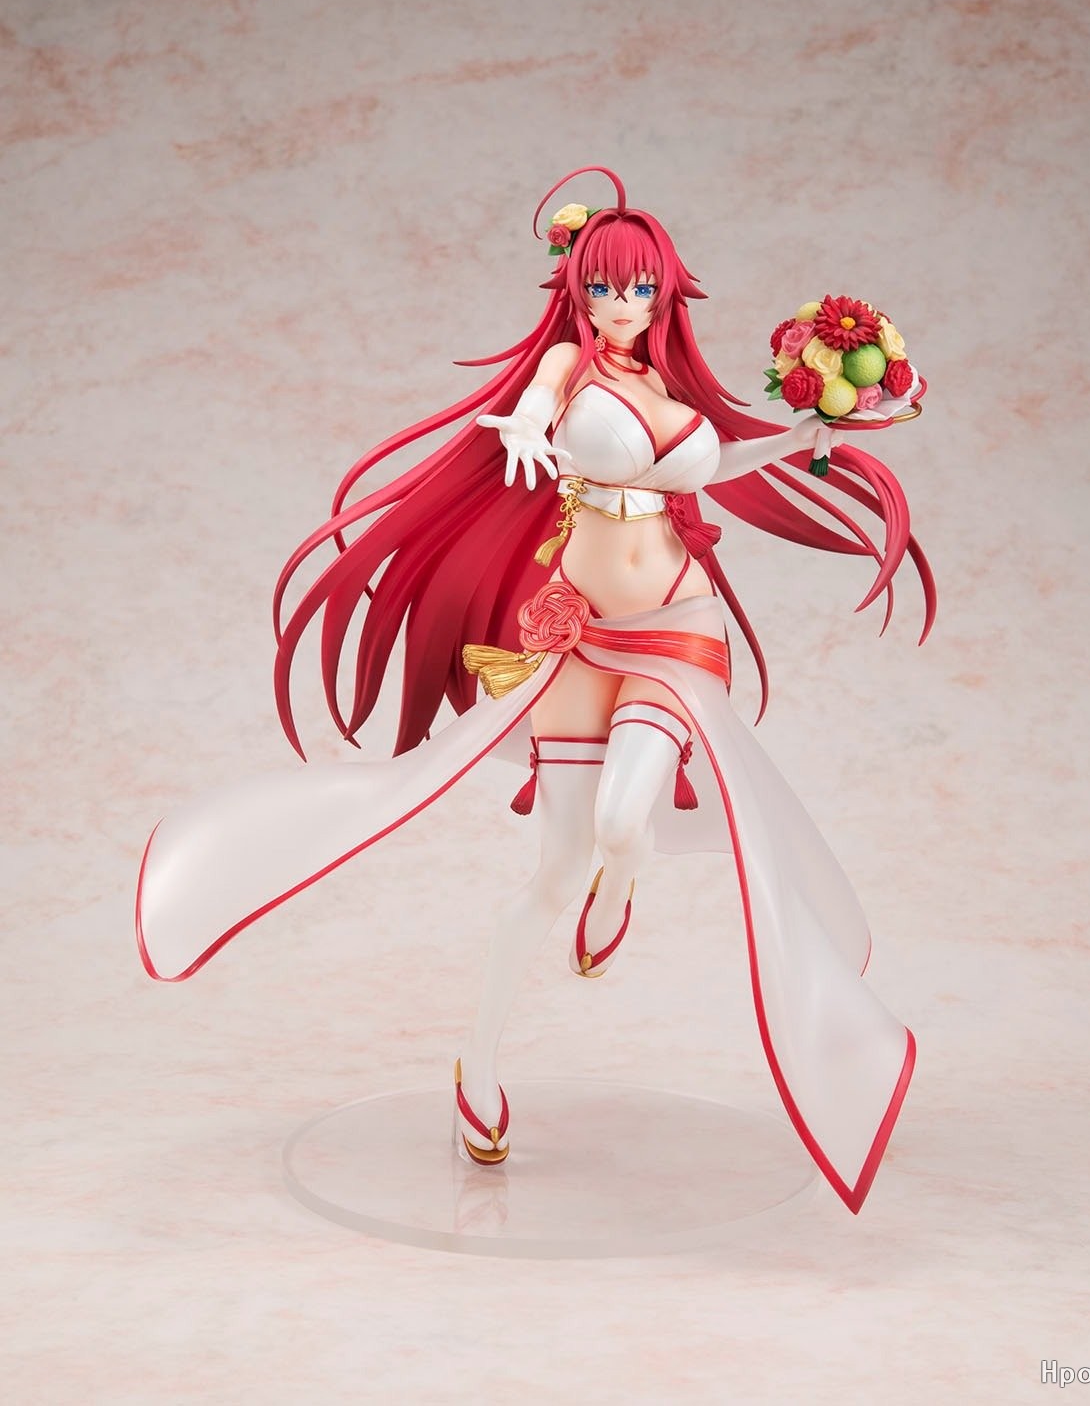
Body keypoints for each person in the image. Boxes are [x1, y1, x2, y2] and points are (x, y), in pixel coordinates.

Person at [136, 166, 934, 1213]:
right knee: (551, 874)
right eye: (604, 287)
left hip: (676, 627)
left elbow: (717, 463)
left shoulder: (672, 393)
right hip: (579, 635)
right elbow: (534, 405)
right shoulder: (570, 366)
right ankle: (477, 1062)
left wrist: (807, 439)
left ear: (665, 293)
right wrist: (522, 429)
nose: (622, 305)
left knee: (620, 822)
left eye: (639, 288)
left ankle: (626, 874)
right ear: (577, 288)